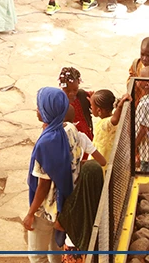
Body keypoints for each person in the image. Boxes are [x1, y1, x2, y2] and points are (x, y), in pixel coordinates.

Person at [24, 87, 105, 263]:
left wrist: (31, 213)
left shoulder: (46, 144)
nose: (37, 109)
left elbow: (44, 185)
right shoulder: (70, 129)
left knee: (37, 255)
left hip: (46, 209)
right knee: (55, 249)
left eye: (39, 107)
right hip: (64, 204)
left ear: (47, 112)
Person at [90, 90, 127, 165]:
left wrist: (120, 106)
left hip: (104, 160)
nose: (90, 107)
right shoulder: (105, 121)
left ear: (99, 110)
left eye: (91, 105)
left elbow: (114, 120)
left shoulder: (106, 124)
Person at [57, 67, 94, 140]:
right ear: (62, 86)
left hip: (86, 136)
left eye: (75, 89)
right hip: (70, 138)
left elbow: (97, 108)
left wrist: (93, 101)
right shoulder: (59, 102)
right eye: (67, 90)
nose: (71, 93)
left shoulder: (82, 96)